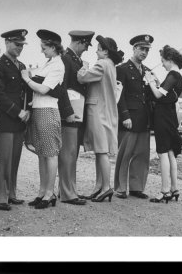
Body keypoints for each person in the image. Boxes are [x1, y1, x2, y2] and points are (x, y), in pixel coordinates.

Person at [21, 29, 65, 209]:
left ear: (53, 47)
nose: (42, 51)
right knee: (41, 153)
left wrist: (26, 79)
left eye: (44, 48)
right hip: (39, 110)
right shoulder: (48, 63)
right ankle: (41, 192)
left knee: (50, 153)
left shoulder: (57, 65)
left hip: (48, 110)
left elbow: (44, 89)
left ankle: (50, 193)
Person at [77, 35, 122, 202]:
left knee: (102, 151)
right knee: (100, 150)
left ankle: (105, 187)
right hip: (106, 111)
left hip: (98, 111)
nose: (95, 50)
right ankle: (99, 186)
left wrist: (82, 67)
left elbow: (82, 77)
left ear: (104, 51)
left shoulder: (101, 64)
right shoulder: (110, 65)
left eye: (98, 48)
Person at [0, 29, 31, 211]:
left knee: (14, 159)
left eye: (22, 45)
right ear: (7, 43)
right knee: (3, 160)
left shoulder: (22, 66)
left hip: (20, 121)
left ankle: (11, 193)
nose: (20, 48)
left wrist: (27, 111)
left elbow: (27, 91)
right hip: (6, 119)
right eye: (17, 44)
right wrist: (17, 112)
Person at [114, 34, 154, 199]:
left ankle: (137, 187)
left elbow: (151, 95)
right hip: (129, 118)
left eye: (147, 50)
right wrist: (124, 116)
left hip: (144, 119)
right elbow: (119, 95)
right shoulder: (122, 69)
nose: (144, 52)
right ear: (134, 48)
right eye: (141, 49)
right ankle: (121, 188)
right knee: (125, 154)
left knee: (141, 154)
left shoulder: (148, 71)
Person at [57, 30, 95, 205]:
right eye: (86, 46)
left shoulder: (75, 60)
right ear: (79, 42)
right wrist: (67, 112)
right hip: (70, 114)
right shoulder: (65, 58)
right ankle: (67, 193)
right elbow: (62, 87)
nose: (85, 50)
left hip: (77, 113)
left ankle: (69, 189)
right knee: (68, 153)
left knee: (73, 153)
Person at [144, 45, 182, 203]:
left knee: (163, 153)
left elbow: (157, 95)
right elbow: (165, 92)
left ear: (170, 60)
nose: (162, 64)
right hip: (170, 116)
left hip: (162, 117)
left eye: (163, 61)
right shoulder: (178, 76)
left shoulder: (172, 74)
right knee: (170, 153)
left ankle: (164, 191)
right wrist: (155, 80)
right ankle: (174, 189)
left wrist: (149, 81)